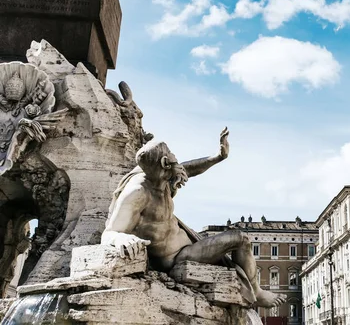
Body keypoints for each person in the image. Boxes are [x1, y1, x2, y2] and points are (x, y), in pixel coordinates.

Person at [101, 128, 285, 307]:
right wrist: (120, 237)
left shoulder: (160, 177)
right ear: (165, 162)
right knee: (241, 238)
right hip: (177, 258)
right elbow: (110, 232)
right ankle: (257, 293)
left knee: (238, 239)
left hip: (189, 244)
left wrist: (218, 156)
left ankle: (254, 289)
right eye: (172, 154)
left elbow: (190, 168)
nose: (176, 158)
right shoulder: (138, 192)